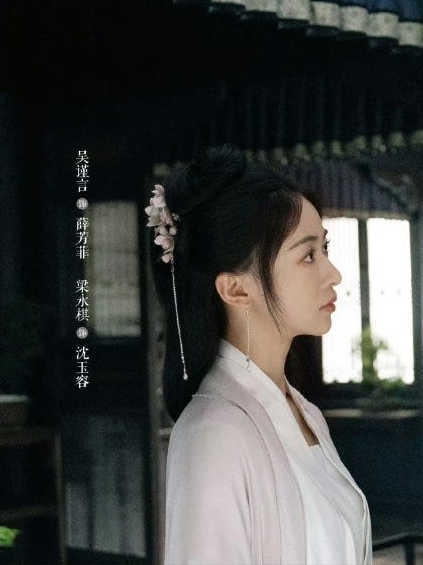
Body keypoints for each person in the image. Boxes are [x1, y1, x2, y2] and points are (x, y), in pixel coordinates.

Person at [149, 146, 372, 564]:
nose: (334, 273)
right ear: (236, 288)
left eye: (325, 249)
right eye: (308, 255)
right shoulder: (214, 435)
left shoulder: (304, 412)